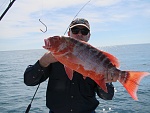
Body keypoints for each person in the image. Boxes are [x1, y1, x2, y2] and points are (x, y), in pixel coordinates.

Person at [24, 18, 118, 113]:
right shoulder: (52, 57)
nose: (79, 34)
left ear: (89, 36)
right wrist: (43, 61)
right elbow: (29, 81)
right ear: (69, 34)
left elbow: (108, 96)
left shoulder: (96, 59)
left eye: (84, 31)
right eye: (75, 30)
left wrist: (105, 81)